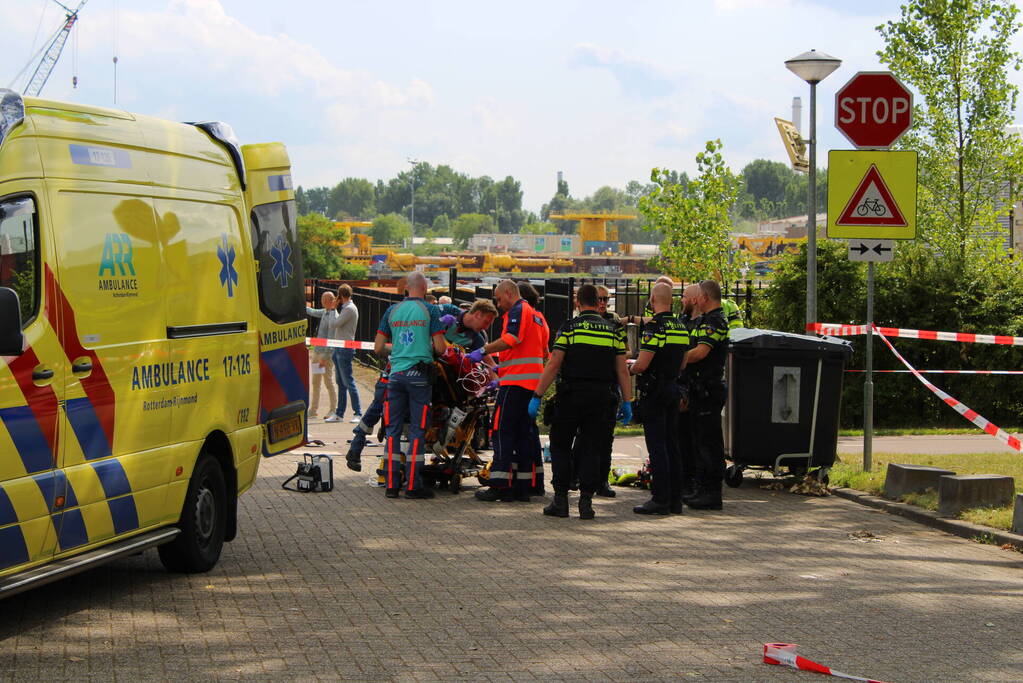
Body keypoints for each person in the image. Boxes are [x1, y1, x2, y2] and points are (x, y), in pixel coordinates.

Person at [530, 284, 632, 519]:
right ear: (598, 303)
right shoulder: (613, 331)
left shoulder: (569, 328)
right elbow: (622, 371)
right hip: (601, 398)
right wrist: (627, 401)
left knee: (561, 446)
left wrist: (537, 396)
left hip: (571, 395)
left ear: (577, 302)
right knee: (591, 448)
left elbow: (554, 363)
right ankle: (586, 502)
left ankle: (560, 500)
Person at [471, 279, 546, 502]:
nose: (498, 303)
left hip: (515, 384)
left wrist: (482, 351)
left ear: (509, 293)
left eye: (499, 298)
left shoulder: (518, 310)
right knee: (523, 435)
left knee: (501, 431)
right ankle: (523, 486)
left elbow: (511, 340)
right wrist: (501, 368)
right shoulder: (537, 317)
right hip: (530, 385)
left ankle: (499, 485)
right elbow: (538, 352)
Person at [374, 272, 447, 499]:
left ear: (406, 288)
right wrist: (423, 348)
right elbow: (441, 348)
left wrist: (399, 350)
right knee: (417, 431)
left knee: (393, 431)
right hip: (419, 378)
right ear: (424, 288)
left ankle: (391, 485)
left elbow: (378, 348)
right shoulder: (430, 310)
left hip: (395, 376)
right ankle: (414, 486)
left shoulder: (392, 310)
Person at [628, 281, 689, 515]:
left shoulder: (654, 327)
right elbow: (683, 363)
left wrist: (630, 368)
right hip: (673, 389)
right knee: (673, 444)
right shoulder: (680, 327)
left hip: (655, 392)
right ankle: (675, 500)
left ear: (652, 300)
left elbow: (643, 364)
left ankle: (660, 499)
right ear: (671, 301)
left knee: (657, 446)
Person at [344, 276, 408, 472]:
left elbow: (379, 346)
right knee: (393, 419)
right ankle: (387, 466)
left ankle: (357, 448)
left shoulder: (394, 311)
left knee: (377, 409)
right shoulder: (424, 314)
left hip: (390, 373)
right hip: (403, 374)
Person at [682, 280, 729, 510]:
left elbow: (700, 352)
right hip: (699, 388)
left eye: (698, 295)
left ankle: (712, 493)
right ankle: (701, 489)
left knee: (709, 443)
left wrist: (675, 360)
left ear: (705, 298)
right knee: (699, 442)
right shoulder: (704, 320)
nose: (695, 299)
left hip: (709, 389)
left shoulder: (715, 321)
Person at [517, 281, 550, 496]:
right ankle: (536, 483)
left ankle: (520, 486)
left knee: (517, 434)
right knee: (531, 433)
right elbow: (545, 353)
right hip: (535, 382)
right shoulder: (541, 319)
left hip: (518, 381)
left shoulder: (522, 315)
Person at [677, 284, 702, 501]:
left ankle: (694, 481)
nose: (681, 300)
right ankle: (684, 480)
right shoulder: (682, 321)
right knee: (682, 437)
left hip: (698, 388)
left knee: (695, 439)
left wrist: (674, 361)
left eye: (684, 296)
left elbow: (698, 353)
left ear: (694, 300)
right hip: (683, 386)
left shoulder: (704, 323)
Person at [326, 284, 363, 424]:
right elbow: (337, 323)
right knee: (341, 382)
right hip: (339, 347)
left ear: (340, 296)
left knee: (348, 382)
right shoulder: (346, 308)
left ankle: (358, 413)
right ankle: (339, 414)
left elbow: (333, 324)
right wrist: (335, 310)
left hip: (345, 348)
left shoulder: (349, 309)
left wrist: (332, 309)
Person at [307, 291, 338, 419]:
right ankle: (313, 410)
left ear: (331, 301)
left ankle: (333, 410)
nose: (322, 301)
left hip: (325, 356)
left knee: (328, 382)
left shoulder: (333, 316)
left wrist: (325, 358)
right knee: (316, 382)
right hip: (317, 352)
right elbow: (313, 312)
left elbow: (331, 339)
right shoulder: (325, 312)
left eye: (325, 300)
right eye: (322, 299)